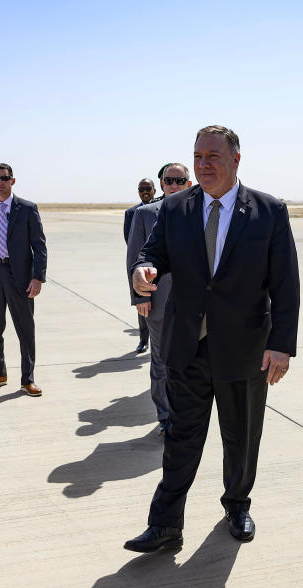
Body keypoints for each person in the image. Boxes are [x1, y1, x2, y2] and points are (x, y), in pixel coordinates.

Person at [125, 125, 300, 552]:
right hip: (187, 344)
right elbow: (154, 253)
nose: (203, 165)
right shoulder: (176, 207)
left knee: (241, 437)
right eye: (197, 157)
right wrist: (143, 269)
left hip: (245, 350)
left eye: (213, 157)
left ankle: (237, 505)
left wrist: (282, 344)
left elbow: (286, 283)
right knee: (181, 437)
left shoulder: (268, 210)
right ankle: (166, 524)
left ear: (236, 159)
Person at [126, 163, 192, 435]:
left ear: (189, 183)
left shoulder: (200, 211)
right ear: (161, 184)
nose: (174, 185)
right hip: (157, 299)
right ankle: (166, 418)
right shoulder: (144, 214)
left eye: (180, 181)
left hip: (193, 302)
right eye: (169, 180)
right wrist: (138, 296)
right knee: (162, 360)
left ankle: (186, 413)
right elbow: (134, 258)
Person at [0, 163, 47, 396]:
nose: (0, 182)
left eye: (4, 178)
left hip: (20, 278)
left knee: (25, 328)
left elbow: (39, 246)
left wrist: (37, 277)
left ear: (13, 181)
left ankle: (28, 379)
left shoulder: (27, 208)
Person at [125, 178, 157, 353]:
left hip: (159, 263)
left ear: (154, 189)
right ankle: (143, 339)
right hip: (141, 264)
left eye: (148, 188)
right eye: (141, 189)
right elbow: (129, 240)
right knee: (143, 303)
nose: (145, 192)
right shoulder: (131, 213)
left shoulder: (164, 206)